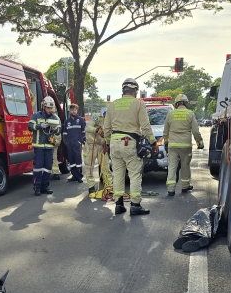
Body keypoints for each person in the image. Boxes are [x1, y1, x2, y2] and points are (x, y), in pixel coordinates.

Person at [103, 78, 156, 216]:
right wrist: (153, 142)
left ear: (123, 91)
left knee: (118, 174)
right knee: (134, 174)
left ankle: (119, 205)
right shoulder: (138, 104)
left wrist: (109, 143)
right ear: (135, 91)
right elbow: (145, 126)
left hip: (115, 143)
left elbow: (106, 128)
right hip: (130, 142)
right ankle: (135, 205)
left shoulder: (112, 105)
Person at [163, 93, 204, 196]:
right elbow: (195, 131)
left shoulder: (170, 114)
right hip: (185, 146)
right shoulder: (190, 114)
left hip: (173, 146)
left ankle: (171, 189)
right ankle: (185, 186)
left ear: (176, 104)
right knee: (185, 166)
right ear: (186, 103)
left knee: (172, 166)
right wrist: (199, 142)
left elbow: (165, 131)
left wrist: (166, 142)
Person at [28, 96, 61, 196]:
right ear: (44, 106)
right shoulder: (36, 116)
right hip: (39, 145)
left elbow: (59, 130)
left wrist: (55, 129)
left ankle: (45, 187)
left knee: (48, 167)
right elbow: (30, 126)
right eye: (48, 108)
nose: (50, 110)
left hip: (49, 146)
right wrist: (40, 126)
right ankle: (37, 188)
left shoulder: (55, 118)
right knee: (38, 167)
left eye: (51, 108)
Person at [82, 112, 112, 194]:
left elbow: (109, 136)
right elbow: (87, 127)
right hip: (91, 145)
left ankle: (108, 187)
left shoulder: (112, 122)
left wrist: (108, 144)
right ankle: (91, 186)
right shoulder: (96, 117)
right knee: (90, 167)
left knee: (105, 167)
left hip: (102, 146)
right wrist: (96, 130)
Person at [63, 103, 86, 182]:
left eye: (75, 110)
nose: (73, 111)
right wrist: (66, 141)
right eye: (72, 110)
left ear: (77, 110)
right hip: (69, 143)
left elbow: (84, 132)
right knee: (71, 160)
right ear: (70, 111)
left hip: (77, 143)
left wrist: (80, 141)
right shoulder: (67, 122)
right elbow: (64, 133)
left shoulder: (81, 120)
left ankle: (79, 176)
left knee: (78, 160)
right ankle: (74, 175)